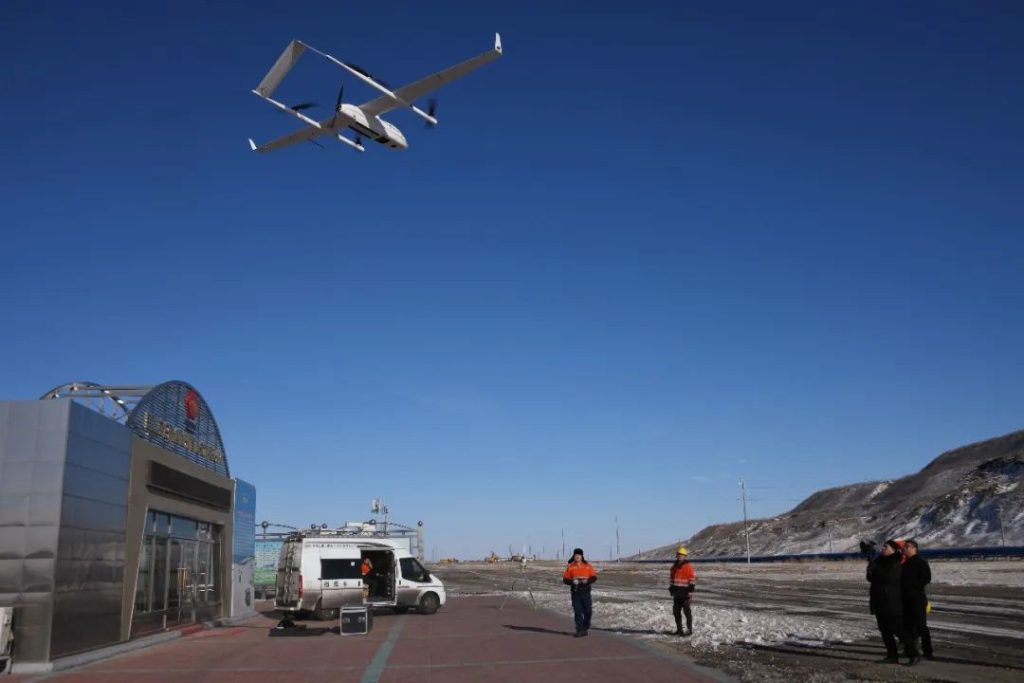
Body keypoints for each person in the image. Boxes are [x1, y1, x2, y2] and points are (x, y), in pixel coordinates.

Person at [867, 539, 917, 664]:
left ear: (894, 550)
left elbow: (887, 577)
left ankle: (913, 654)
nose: (883, 548)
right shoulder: (878, 561)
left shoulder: (896, 561)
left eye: (886, 546)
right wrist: (870, 564)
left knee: (899, 630)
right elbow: (870, 578)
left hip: (892, 602)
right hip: (879, 600)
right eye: (883, 546)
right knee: (884, 630)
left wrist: (874, 568)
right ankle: (892, 656)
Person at [901, 539, 932, 662]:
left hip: (917, 599)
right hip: (905, 600)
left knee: (921, 627)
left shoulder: (921, 562)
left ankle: (928, 651)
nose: (904, 549)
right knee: (908, 627)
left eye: (907, 547)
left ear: (914, 548)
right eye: (904, 547)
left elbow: (926, 578)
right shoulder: (904, 564)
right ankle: (911, 650)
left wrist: (912, 586)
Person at [563, 547, 597, 637]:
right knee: (578, 612)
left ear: (582, 556)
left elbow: (594, 577)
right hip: (575, 592)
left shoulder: (588, 566)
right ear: (574, 556)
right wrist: (572, 582)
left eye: (579, 555)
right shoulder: (570, 567)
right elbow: (565, 579)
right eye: (576, 555)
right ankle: (579, 629)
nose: (577, 557)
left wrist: (587, 581)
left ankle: (585, 627)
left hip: (586, 592)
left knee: (588, 611)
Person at [669, 546, 696, 636]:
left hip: (685, 594)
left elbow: (692, 579)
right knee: (676, 612)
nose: (680, 556)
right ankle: (679, 630)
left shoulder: (688, 567)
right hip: (677, 594)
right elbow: (672, 579)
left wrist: (690, 591)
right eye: (678, 554)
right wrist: (671, 588)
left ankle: (689, 630)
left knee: (687, 613)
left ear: (685, 556)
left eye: (682, 555)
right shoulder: (673, 567)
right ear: (676, 556)